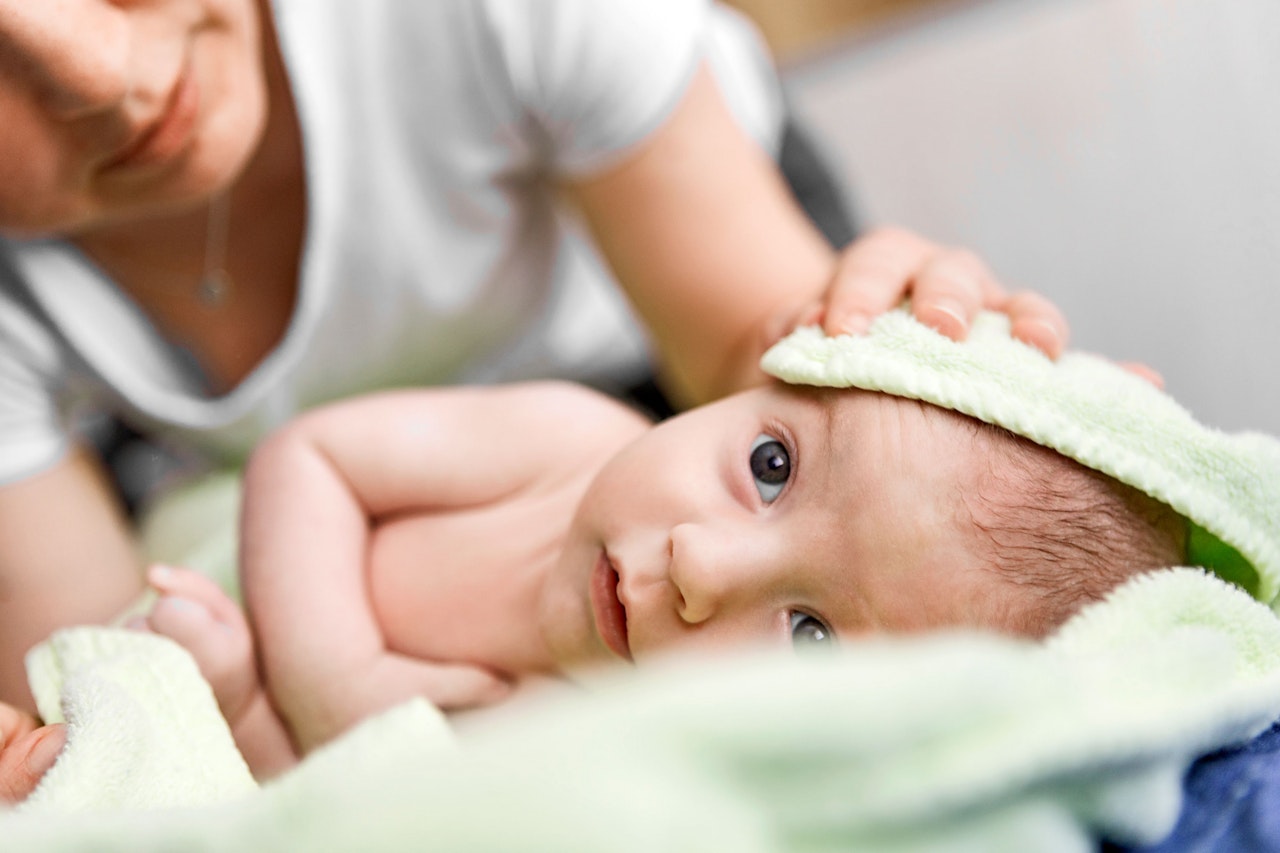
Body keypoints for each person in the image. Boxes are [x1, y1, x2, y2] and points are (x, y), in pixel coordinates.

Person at [0, 0, 1071, 714]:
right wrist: (312, 691)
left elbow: (766, 368)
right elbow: (114, 695)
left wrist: (865, 340)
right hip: (300, 469)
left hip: (673, 322)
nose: (106, 76)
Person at [86, 374, 1181, 781]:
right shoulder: (562, 440)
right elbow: (311, 458)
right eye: (771, 468)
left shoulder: (595, 743)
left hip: (229, 702)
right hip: (231, 537)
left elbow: (327, 806)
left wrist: (239, 707)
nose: (704, 567)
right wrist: (337, 677)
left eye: (810, 637)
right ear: (774, 374)